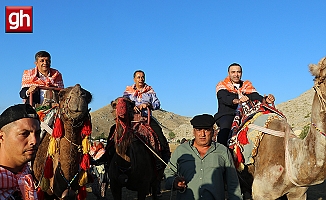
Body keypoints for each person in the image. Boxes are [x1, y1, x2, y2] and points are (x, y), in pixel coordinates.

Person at [164, 114, 242, 200]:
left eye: (206, 130)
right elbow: (168, 174)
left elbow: (233, 183)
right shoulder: (181, 151)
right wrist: (174, 182)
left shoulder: (223, 151)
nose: (202, 134)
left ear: (213, 131)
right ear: (194, 131)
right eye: (198, 130)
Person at [214, 63, 275, 146]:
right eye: (233, 72)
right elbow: (224, 97)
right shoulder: (222, 85)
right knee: (225, 129)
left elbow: (255, 96)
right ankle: (221, 152)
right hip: (227, 114)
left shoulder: (247, 86)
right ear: (229, 73)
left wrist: (266, 100)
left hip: (245, 114)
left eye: (238, 72)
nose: (236, 75)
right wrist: (237, 100)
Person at [123, 70, 170, 162]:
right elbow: (124, 104)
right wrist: (132, 107)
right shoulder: (128, 92)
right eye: (138, 77)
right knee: (115, 131)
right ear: (134, 79)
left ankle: (164, 160)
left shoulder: (150, 91)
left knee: (159, 133)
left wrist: (148, 104)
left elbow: (157, 104)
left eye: (142, 77)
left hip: (146, 118)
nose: (141, 79)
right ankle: (107, 157)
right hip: (132, 118)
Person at [0, 104, 41, 199]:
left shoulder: (26, 176)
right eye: (24, 134)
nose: (34, 141)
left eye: (38, 133)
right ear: (1, 137)